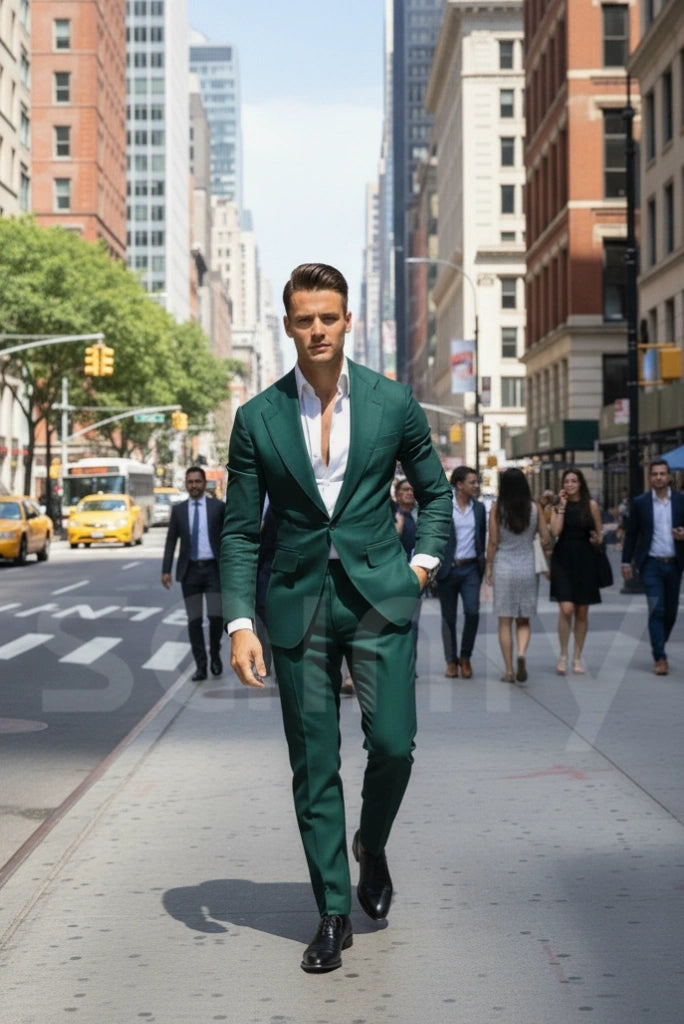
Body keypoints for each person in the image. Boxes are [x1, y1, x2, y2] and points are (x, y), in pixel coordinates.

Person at [220, 263, 452, 974]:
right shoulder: (257, 417)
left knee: (394, 745)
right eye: (303, 319)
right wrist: (238, 621)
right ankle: (331, 910)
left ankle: (371, 842)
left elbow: (436, 497)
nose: (316, 329)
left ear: (347, 320)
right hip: (294, 605)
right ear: (287, 325)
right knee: (313, 762)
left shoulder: (392, 403)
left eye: (328, 317)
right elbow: (239, 532)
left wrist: (420, 570)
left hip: (381, 596)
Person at [484, 468, 552, 682]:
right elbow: (546, 538)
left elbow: (493, 541)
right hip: (528, 566)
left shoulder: (497, 509)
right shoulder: (535, 508)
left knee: (505, 620)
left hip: (504, 565)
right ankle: (521, 653)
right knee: (523, 619)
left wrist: (488, 566)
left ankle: (509, 670)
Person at [161, 466, 225, 681]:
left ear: (204, 483)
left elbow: (228, 539)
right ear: (186, 484)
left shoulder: (218, 507)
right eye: (190, 482)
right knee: (194, 621)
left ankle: (215, 654)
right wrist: (166, 570)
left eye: (198, 481)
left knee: (216, 618)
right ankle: (201, 665)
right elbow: (171, 541)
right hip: (190, 573)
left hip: (214, 571)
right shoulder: (178, 510)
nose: (194, 485)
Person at [621, 459, 684, 675]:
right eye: (654, 474)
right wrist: (625, 561)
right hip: (651, 564)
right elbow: (631, 534)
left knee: (671, 613)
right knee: (656, 609)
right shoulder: (641, 503)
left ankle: (659, 643)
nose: (658, 477)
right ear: (650, 477)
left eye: (662, 474)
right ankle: (660, 656)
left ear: (669, 477)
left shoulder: (680, 500)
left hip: (675, 563)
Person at [549, 466, 603, 675]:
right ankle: (563, 654)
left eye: (574, 481)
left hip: (585, 560)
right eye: (566, 481)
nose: (570, 485)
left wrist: (598, 539)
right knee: (566, 609)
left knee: (581, 611)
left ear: (581, 483)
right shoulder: (557, 506)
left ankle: (577, 657)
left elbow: (599, 535)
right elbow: (555, 531)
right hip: (563, 559)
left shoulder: (591, 506)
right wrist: (561, 507)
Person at [435, 466, 487, 679]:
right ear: (459, 484)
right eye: (472, 482)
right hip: (448, 569)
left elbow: (481, 537)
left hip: (471, 569)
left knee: (472, 612)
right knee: (448, 618)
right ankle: (451, 661)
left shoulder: (480, 508)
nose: (476, 486)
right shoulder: (445, 507)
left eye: (476, 482)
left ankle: (465, 657)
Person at [394, 478, 422, 653]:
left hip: (416, 575)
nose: (409, 493)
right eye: (405, 489)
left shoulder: (420, 516)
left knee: (413, 623)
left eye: (412, 489)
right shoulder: (391, 516)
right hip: (394, 577)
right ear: (397, 494)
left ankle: (410, 665)